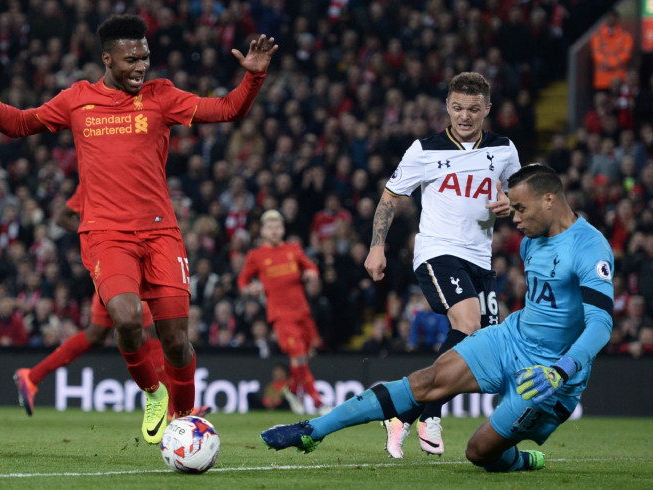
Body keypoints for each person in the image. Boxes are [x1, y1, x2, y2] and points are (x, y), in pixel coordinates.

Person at [0, 14, 278, 444]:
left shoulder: (162, 97)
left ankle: (182, 418)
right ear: (108, 59)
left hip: (160, 234)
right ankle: (153, 392)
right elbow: (20, 123)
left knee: (176, 342)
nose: (141, 66)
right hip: (106, 235)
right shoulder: (77, 100)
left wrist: (253, 79)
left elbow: (227, 109)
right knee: (125, 318)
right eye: (131, 58)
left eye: (146, 57)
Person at [262, 164, 614, 474]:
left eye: (520, 209)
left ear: (549, 199)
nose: (515, 219)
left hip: (551, 373)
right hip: (511, 339)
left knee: (479, 453)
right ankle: (314, 430)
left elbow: (600, 324)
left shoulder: (589, 247)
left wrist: (562, 369)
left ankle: (520, 460)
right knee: (426, 381)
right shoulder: (531, 241)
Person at [363, 72, 520, 457]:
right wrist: (376, 246)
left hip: (481, 260)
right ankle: (428, 413)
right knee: (466, 323)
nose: (464, 116)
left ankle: (408, 412)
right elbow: (389, 198)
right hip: (438, 251)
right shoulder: (425, 150)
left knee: (482, 347)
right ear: (447, 106)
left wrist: (512, 203)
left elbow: (521, 194)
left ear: (487, 109)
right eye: (457, 108)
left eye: (473, 109)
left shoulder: (504, 150)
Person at [12, 186, 210, 420]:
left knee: (95, 335)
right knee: (152, 330)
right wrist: (93, 236)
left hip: (128, 263)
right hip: (116, 264)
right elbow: (62, 216)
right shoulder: (96, 182)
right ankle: (173, 410)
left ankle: (32, 376)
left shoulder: (126, 180)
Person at [238, 210, 330, 415]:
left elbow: (312, 268)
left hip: (303, 313)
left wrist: (310, 274)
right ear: (262, 231)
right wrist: (249, 289)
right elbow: (243, 281)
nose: (274, 231)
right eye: (269, 227)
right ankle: (318, 403)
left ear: (283, 229)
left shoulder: (293, 249)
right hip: (281, 316)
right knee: (298, 357)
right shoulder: (256, 255)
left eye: (277, 227)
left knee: (305, 356)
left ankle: (293, 391)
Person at [590, 9, 634, 92]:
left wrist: (611, 63)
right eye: (608, 17)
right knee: (601, 101)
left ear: (618, 19)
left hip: (619, 79)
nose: (611, 19)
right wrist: (607, 63)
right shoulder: (597, 36)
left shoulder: (626, 36)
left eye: (613, 17)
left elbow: (626, 54)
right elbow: (596, 54)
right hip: (601, 80)